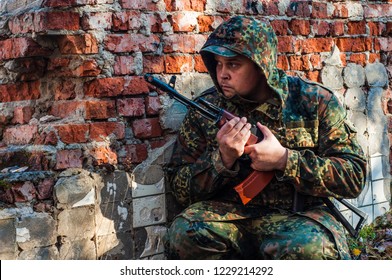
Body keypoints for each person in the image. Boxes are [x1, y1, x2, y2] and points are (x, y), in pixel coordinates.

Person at [164, 15, 367, 260]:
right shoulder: (206, 109)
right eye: (217, 64)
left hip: (300, 217)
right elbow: (179, 188)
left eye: (233, 65)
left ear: (261, 66)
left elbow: (354, 176)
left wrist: (285, 160)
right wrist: (222, 160)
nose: (222, 74)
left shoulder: (313, 101)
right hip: (232, 216)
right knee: (185, 232)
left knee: (311, 247)